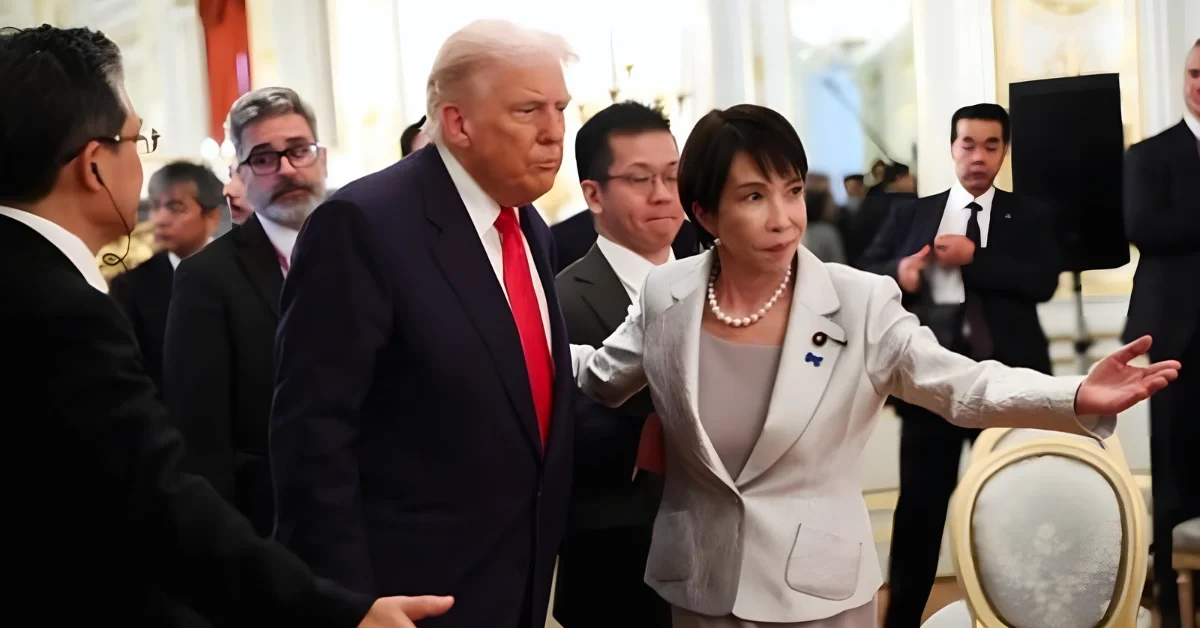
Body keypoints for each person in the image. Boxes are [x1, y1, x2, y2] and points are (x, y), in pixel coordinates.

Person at [569, 104, 1179, 628]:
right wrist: (523, 347)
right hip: (699, 583)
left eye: (792, 190)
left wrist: (1075, 394)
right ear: (704, 213)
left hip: (818, 589)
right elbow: (598, 376)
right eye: (754, 196)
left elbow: (961, 385)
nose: (783, 217)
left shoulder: (858, 301)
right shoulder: (667, 294)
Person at [0, 24, 450, 627]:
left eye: (300, 150)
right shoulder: (63, 309)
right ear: (94, 165)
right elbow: (161, 497)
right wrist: (337, 614)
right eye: (137, 140)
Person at [270, 20, 577, 628]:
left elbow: (520, 408)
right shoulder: (363, 225)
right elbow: (312, 438)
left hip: (517, 588)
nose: (554, 131)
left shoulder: (528, 228)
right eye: (528, 110)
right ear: (458, 123)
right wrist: (349, 605)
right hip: (406, 600)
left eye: (561, 108)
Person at [856, 103, 1062, 628]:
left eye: (991, 145)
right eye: (968, 144)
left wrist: (976, 259)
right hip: (932, 384)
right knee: (919, 510)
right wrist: (900, 272)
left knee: (1019, 504)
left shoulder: (1029, 214)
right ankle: (901, 620)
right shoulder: (913, 214)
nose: (978, 156)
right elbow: (867, 272)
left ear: (1004, 152)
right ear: (951, 148)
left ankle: (1030, 615)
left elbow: (1042, 281)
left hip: (1010, 385)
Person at [163, 87, 329, 537]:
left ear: (322, 158)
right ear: (239, 174)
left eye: (299, 150)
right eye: (264, 158)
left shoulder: (370, 252)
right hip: (274, 530)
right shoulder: (206, 278)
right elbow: (200, 439)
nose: (287, 169)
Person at [553, 101, 686, 628]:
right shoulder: (557, 301)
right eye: (639, 178)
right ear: (593, 194)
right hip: (616, 566)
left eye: (672, 175)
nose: (663, 193)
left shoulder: (721, 281)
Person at [1123, 39, 1200, 628]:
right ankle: (1172, 604)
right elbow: (1145, 227)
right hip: (1176, 333)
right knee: (1174, 467)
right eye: (1195, 73)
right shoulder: (1149, 154)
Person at [110, 161, 222, 397]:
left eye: (175, 208)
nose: (160, 219)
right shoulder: (130, 285)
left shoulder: (241, 274)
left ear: (211, 217)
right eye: (155, 206)